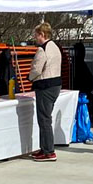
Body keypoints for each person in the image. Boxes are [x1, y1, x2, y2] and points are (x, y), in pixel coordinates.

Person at [28, 22, 63, 163]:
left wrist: (29, 77)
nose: (35, 38)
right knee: (46, 118)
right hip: (55, 85)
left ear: (42, 35)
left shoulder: (42, 50)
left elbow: (37, 68)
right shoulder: (55, 47)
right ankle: (45, 148)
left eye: (36, 35)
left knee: (44, 119)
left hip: (45, 86)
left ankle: (49, 151)